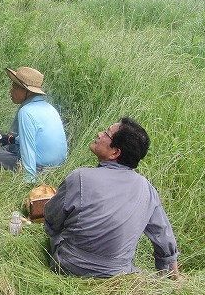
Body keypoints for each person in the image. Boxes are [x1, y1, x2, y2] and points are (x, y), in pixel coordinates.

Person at [44, 117, 180, 279]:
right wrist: (173, 280)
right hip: (119, 275)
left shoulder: (79, 178)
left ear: (115, 152)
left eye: (106, 133)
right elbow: (163, 238)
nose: (99, 134)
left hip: (69, 268)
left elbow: (52, 223)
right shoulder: (147, 189)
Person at [0, 66, 67, 181]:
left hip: (41, 168)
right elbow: (36, 138)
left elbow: (28, 149)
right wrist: (12, 140)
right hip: (59, 165)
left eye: (14, 88)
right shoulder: (49, 107)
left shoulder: (26, 112)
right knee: (9, 145)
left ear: (27, 91)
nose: (11, 91)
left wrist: (29, 179)